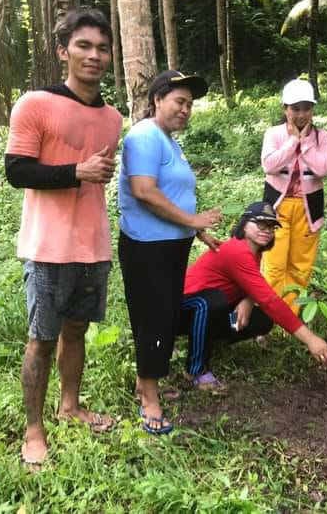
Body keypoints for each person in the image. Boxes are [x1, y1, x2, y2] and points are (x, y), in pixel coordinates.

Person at [4, 8, 123, 468]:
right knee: (42, 338)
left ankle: (70, 406)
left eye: (102, 48)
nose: (94, 56)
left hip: (93, 244)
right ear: (62, 51)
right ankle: (34, 430)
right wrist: (76, 171)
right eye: (84, 46)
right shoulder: (35, 104)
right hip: (48, 246)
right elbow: (17, 170)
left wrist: (88, 175)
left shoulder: (112, 118)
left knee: (77, 331)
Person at [118, 70, 222, 434]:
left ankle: (146, 383)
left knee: (161, 317)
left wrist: (196, 231)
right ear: (157, 99)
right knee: (153, 320)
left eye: (190, 104)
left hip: (169, 246)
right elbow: (145, 192)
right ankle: (149, 399)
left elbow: (171, 196)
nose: (186, 109)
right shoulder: (144, 135)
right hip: (148, 249)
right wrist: (193, 218)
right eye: (179, 101)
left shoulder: (167, 140)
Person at [181, 202, 327, 391]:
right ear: (244, 225)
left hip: (209, 309)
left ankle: (210, 341)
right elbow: (270, 300)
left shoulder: (254, 252)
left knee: (262, 320)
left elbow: (253, 285)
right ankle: (195, 371)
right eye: (260, 224)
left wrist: (248, 299)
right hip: (183, 309)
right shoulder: (237, 251)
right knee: (214, 301)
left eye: (271, 226)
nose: (267, 230)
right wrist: (311, 339)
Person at [261, 78, 327, 314]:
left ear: (312, 109)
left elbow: (323, 169)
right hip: (277, 207)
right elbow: (269, 165)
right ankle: (270, 315)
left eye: (306, 108)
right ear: (285, 109)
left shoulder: (322, 137)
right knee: (274, 263)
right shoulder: (274, 134)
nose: (301, 115)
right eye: (295, 109)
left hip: (308, 208)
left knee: (300, 265)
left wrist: (306, 143)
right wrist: (293, 140)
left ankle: (290, 316)